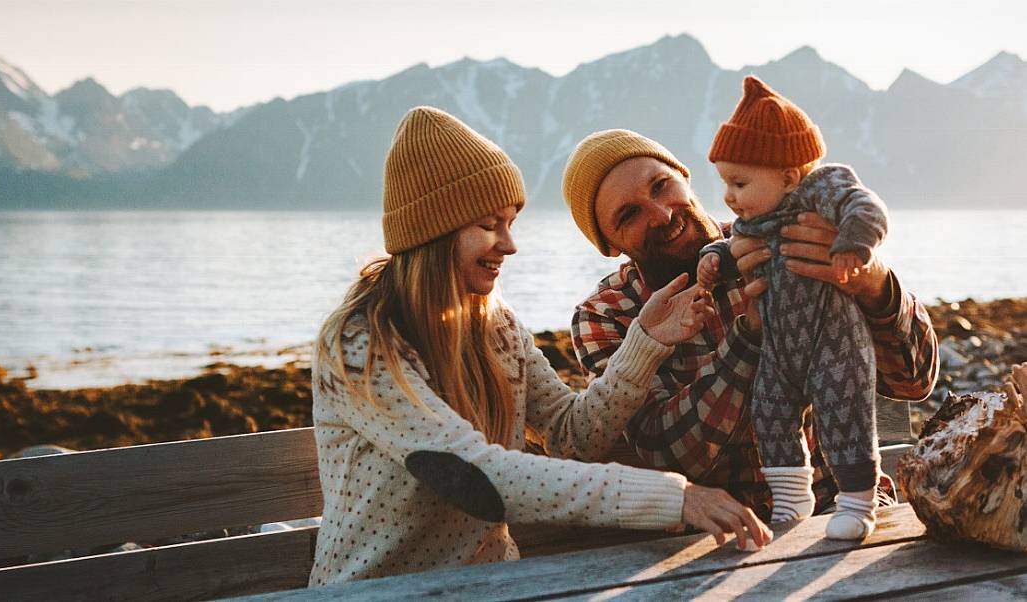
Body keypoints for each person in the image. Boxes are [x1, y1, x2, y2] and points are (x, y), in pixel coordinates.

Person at [310, 106, 771, 585]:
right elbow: (471, 473)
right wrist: (675, 496)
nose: (509, 245)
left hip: (496, 585)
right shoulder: (361, 343)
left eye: (510, 222)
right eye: (490, 225)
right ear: (435, 231)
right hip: (378, 593)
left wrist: (646, 341)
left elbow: (573, 435)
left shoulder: (495, 325)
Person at [561, 124, 938, 528]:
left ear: (684, 178)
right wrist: (750, 337)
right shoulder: (606, 315)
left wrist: (873, 283)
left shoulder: (786, 233)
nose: (663, 214)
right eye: (629, 214)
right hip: (714, 539)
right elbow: (666, 451)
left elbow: (914, 382)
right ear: (608, 244)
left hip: (844, 509)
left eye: (660, 186)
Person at [696, 75, 889, 540]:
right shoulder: (754, 222)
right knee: (770, 411)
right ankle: (791, 496)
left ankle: (858, 503)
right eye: (725, 183)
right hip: (781, 350)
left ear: (787, 176)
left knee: (845, 413)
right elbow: (731, 247)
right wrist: (712, 259)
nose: (728, 196)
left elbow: (866, 207)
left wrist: (854, 246)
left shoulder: (819, 191)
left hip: (833, 341)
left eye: (739, 182)